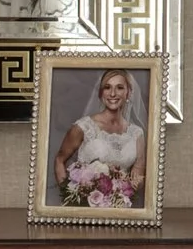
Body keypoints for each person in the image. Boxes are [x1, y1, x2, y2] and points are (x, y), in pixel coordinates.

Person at [54, 65, 145, 205]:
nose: (113, 93)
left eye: (120, 87)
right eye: (107, 87)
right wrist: (72, 196)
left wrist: (125, 190)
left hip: (119, 210)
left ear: (129, 93)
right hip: (85, 208)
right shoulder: (83, 127)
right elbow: (59, 160)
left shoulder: (136, 134)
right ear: (101, 93)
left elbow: (138, 176)